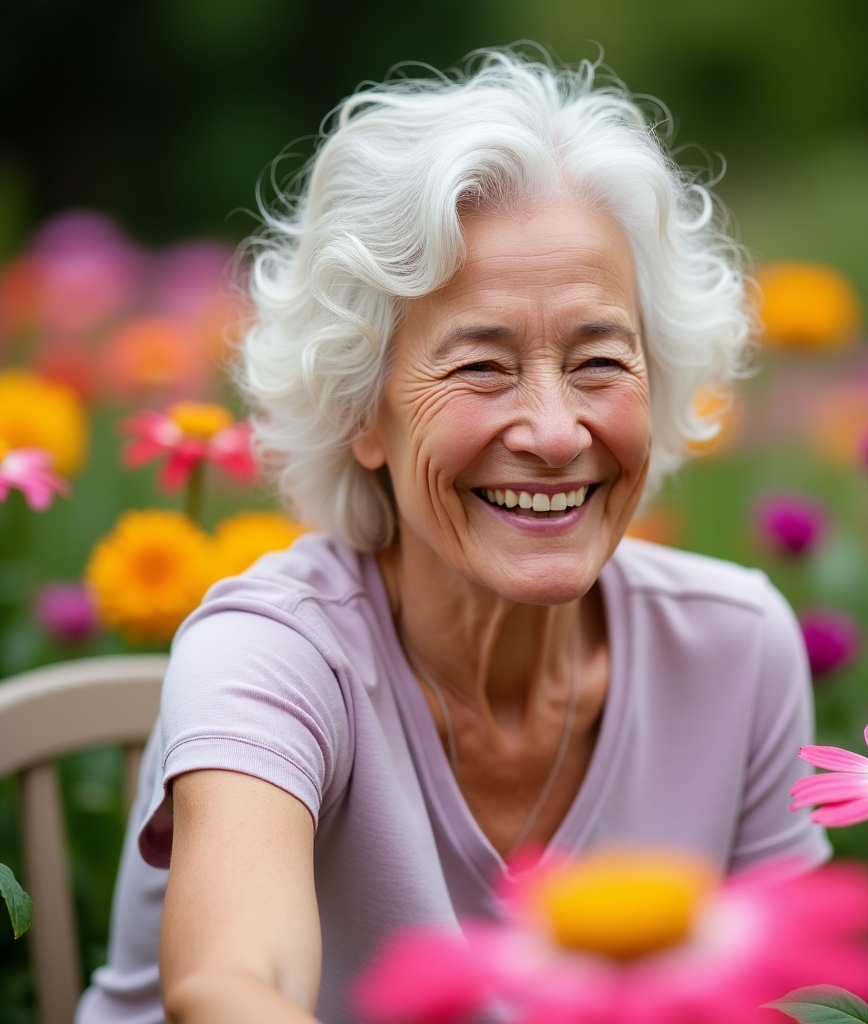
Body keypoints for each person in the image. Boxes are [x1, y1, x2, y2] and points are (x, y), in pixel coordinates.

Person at [76, 47, 830, 1024]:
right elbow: (229, 982)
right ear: (362, 408)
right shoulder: (268, 654)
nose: (557, 432)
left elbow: (796, 995)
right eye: (481, 367)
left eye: (601, 359)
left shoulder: (734, 646)